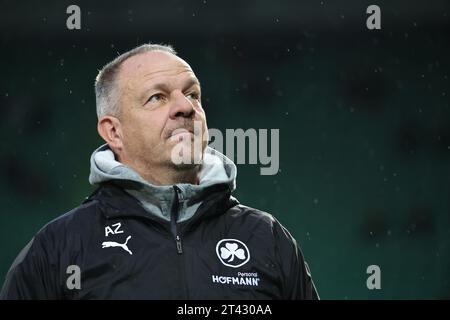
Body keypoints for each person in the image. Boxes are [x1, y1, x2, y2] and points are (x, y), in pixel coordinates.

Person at [0, 44, 319, 299]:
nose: (186, 107)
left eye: (193, 94)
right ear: (114, 132)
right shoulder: (58, 249)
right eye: (157, 97)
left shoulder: (268, 239)